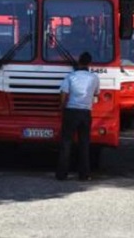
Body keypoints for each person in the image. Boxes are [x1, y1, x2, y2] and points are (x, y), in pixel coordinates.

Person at [56, 51, 99, 181]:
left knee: (66, 143)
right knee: (84, 144)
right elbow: (96, 95)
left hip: (71, 111)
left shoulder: (71, 76)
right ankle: (84, 174)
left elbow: (64, 93)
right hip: (86, 113)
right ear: (89, 63)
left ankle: (62, 174)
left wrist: (62, 106)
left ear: (79, 62)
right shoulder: (94, 78)